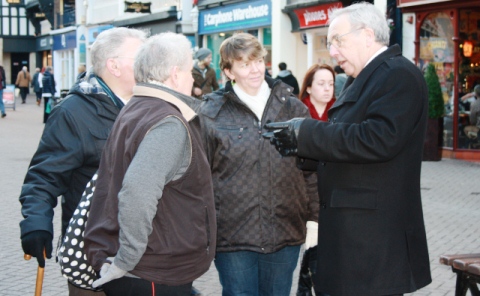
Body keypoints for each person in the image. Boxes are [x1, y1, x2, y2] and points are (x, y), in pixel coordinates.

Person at [264, 3, 432, 295]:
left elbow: (378, 139)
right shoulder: (371, 75)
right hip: (357, 239)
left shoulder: (397, 74)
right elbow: (352, 147)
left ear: (367, 35)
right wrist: (302, 148)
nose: (333, 52)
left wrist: (307, 132)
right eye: (330, 43)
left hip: (374, 243)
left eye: (337, 41)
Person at [84, 32, 216, 295]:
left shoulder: (137, 107)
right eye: (190, 70)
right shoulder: (167, 121)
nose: (193, 78)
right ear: (175, 74)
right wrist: (126, 260)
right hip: (152, 271)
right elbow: (137, 192)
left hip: (149, 269)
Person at [19, 27, 147, 296]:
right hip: (94, 252)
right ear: (113, 65)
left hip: (146, 250)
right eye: (141, 57)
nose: (149, 63)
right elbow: (44, 177)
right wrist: (36, 223)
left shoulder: (151, 106)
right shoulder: (72, 112)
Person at [199, 32, 319, 296]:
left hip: (285, 229)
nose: (255, 69)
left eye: (258, 60)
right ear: (229, 71)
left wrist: (314, 218)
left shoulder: (293, 109)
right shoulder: (210, 113)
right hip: (233, 236)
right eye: (244, 64)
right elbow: (200, 176)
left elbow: (310, 169)